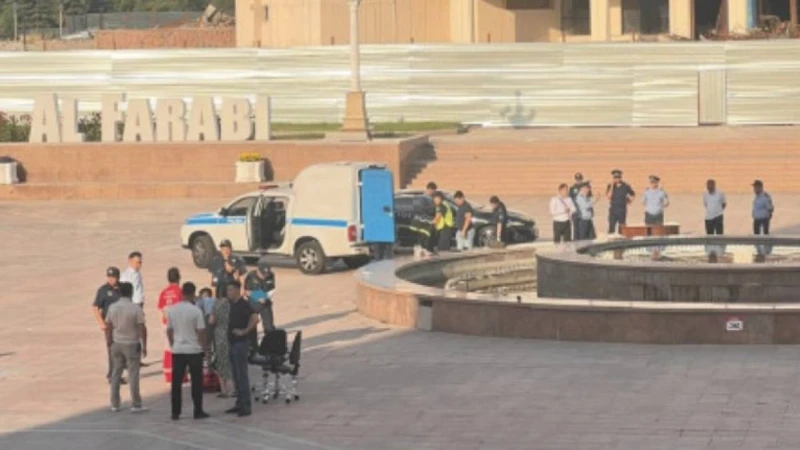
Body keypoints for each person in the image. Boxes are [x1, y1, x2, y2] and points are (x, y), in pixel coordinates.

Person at [167, 282, 210, 421]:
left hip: (178, 349)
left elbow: (169, 330)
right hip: (194, 350)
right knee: (196, 382)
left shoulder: (172, 310)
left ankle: (175, 412)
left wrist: (173, 344)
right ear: (193, 293)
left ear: (182, 293)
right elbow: (201, 331)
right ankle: (198, 410)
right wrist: (204, 348)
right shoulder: (196, 311)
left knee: (176, 382)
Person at [105, 281, 147, 413]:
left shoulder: (112, 307)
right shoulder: (135, 308)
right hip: (131, 343)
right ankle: (136, 403)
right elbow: (141, 327)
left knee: (116, 373)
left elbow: (108, 326)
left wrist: (109, 341)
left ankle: (115, 403)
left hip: (116, 343)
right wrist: (144, 344)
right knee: (133, 374)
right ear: (131, 292)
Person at [225, 282, 259, 418]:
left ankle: (246, 406)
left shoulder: (244, 304)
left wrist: (244, 331)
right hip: (232, 343)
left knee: (241, 375)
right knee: (235, 375)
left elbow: (255, 318)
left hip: (240, 344)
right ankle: (239, 403)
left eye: (231, 290)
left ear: (237, 290)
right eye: (228, 290)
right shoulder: (231, 305)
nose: (228, 292)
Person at [93, 266, 123, 384]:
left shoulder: (122, 289)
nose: (111, 279)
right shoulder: (103, 290)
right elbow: (95, 308)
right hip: (109, 324)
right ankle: (112, 375)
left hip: (121, 324)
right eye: (109, 276)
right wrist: (101, 323)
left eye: (113, 277)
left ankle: (117, 374)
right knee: (112, 350)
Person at [156, 267, 186, 384]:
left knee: (168, 350)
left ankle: (168, 375)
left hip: (166, 324)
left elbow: (160, 310)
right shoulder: (180, 292)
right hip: (178, 325)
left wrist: (163, 325)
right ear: (179, 277)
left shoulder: (163, 293)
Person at [209, 286, 234, 398]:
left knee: (221, 362)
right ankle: (234, 388)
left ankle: (225, 389)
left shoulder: (216, 304)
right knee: (232, 361)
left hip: (220, 334)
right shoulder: (232, 304)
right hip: (232, 333)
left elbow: (211, 320)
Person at [244, 260, 277, 335]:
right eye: (263, 274)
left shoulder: (271, 275)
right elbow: (246, 291)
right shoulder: (251, 276)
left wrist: (265, 297)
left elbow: (271, 289)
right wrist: (258, 296)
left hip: (265, 302)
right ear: (258, 271)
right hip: (253, 303)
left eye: (266, 274)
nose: (265, 276)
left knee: (269, 327)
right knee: (251, 326)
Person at [606, 169, 635, 235]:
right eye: (615, 177)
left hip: (622, 209)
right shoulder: (610, 186)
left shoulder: (626, 186)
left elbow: (633, 194)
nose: (617, 179)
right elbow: (609, 196)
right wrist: (612, 185)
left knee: (622, 227)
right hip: (613, 209)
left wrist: (629, 200)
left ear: (621, 177)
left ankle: (621, 239)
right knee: (611, 226)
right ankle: (610, 238)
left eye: (618, 177)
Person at [569, 173, 591, 241]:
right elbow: (570, 199)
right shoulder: (572, 188)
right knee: (576, 229)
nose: (578, 181)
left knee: (584, 230)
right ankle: (576, 242)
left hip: (584, 212)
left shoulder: (586, 187)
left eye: (580, 179)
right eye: (577, 179)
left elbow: (589, 198)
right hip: (576, 211)